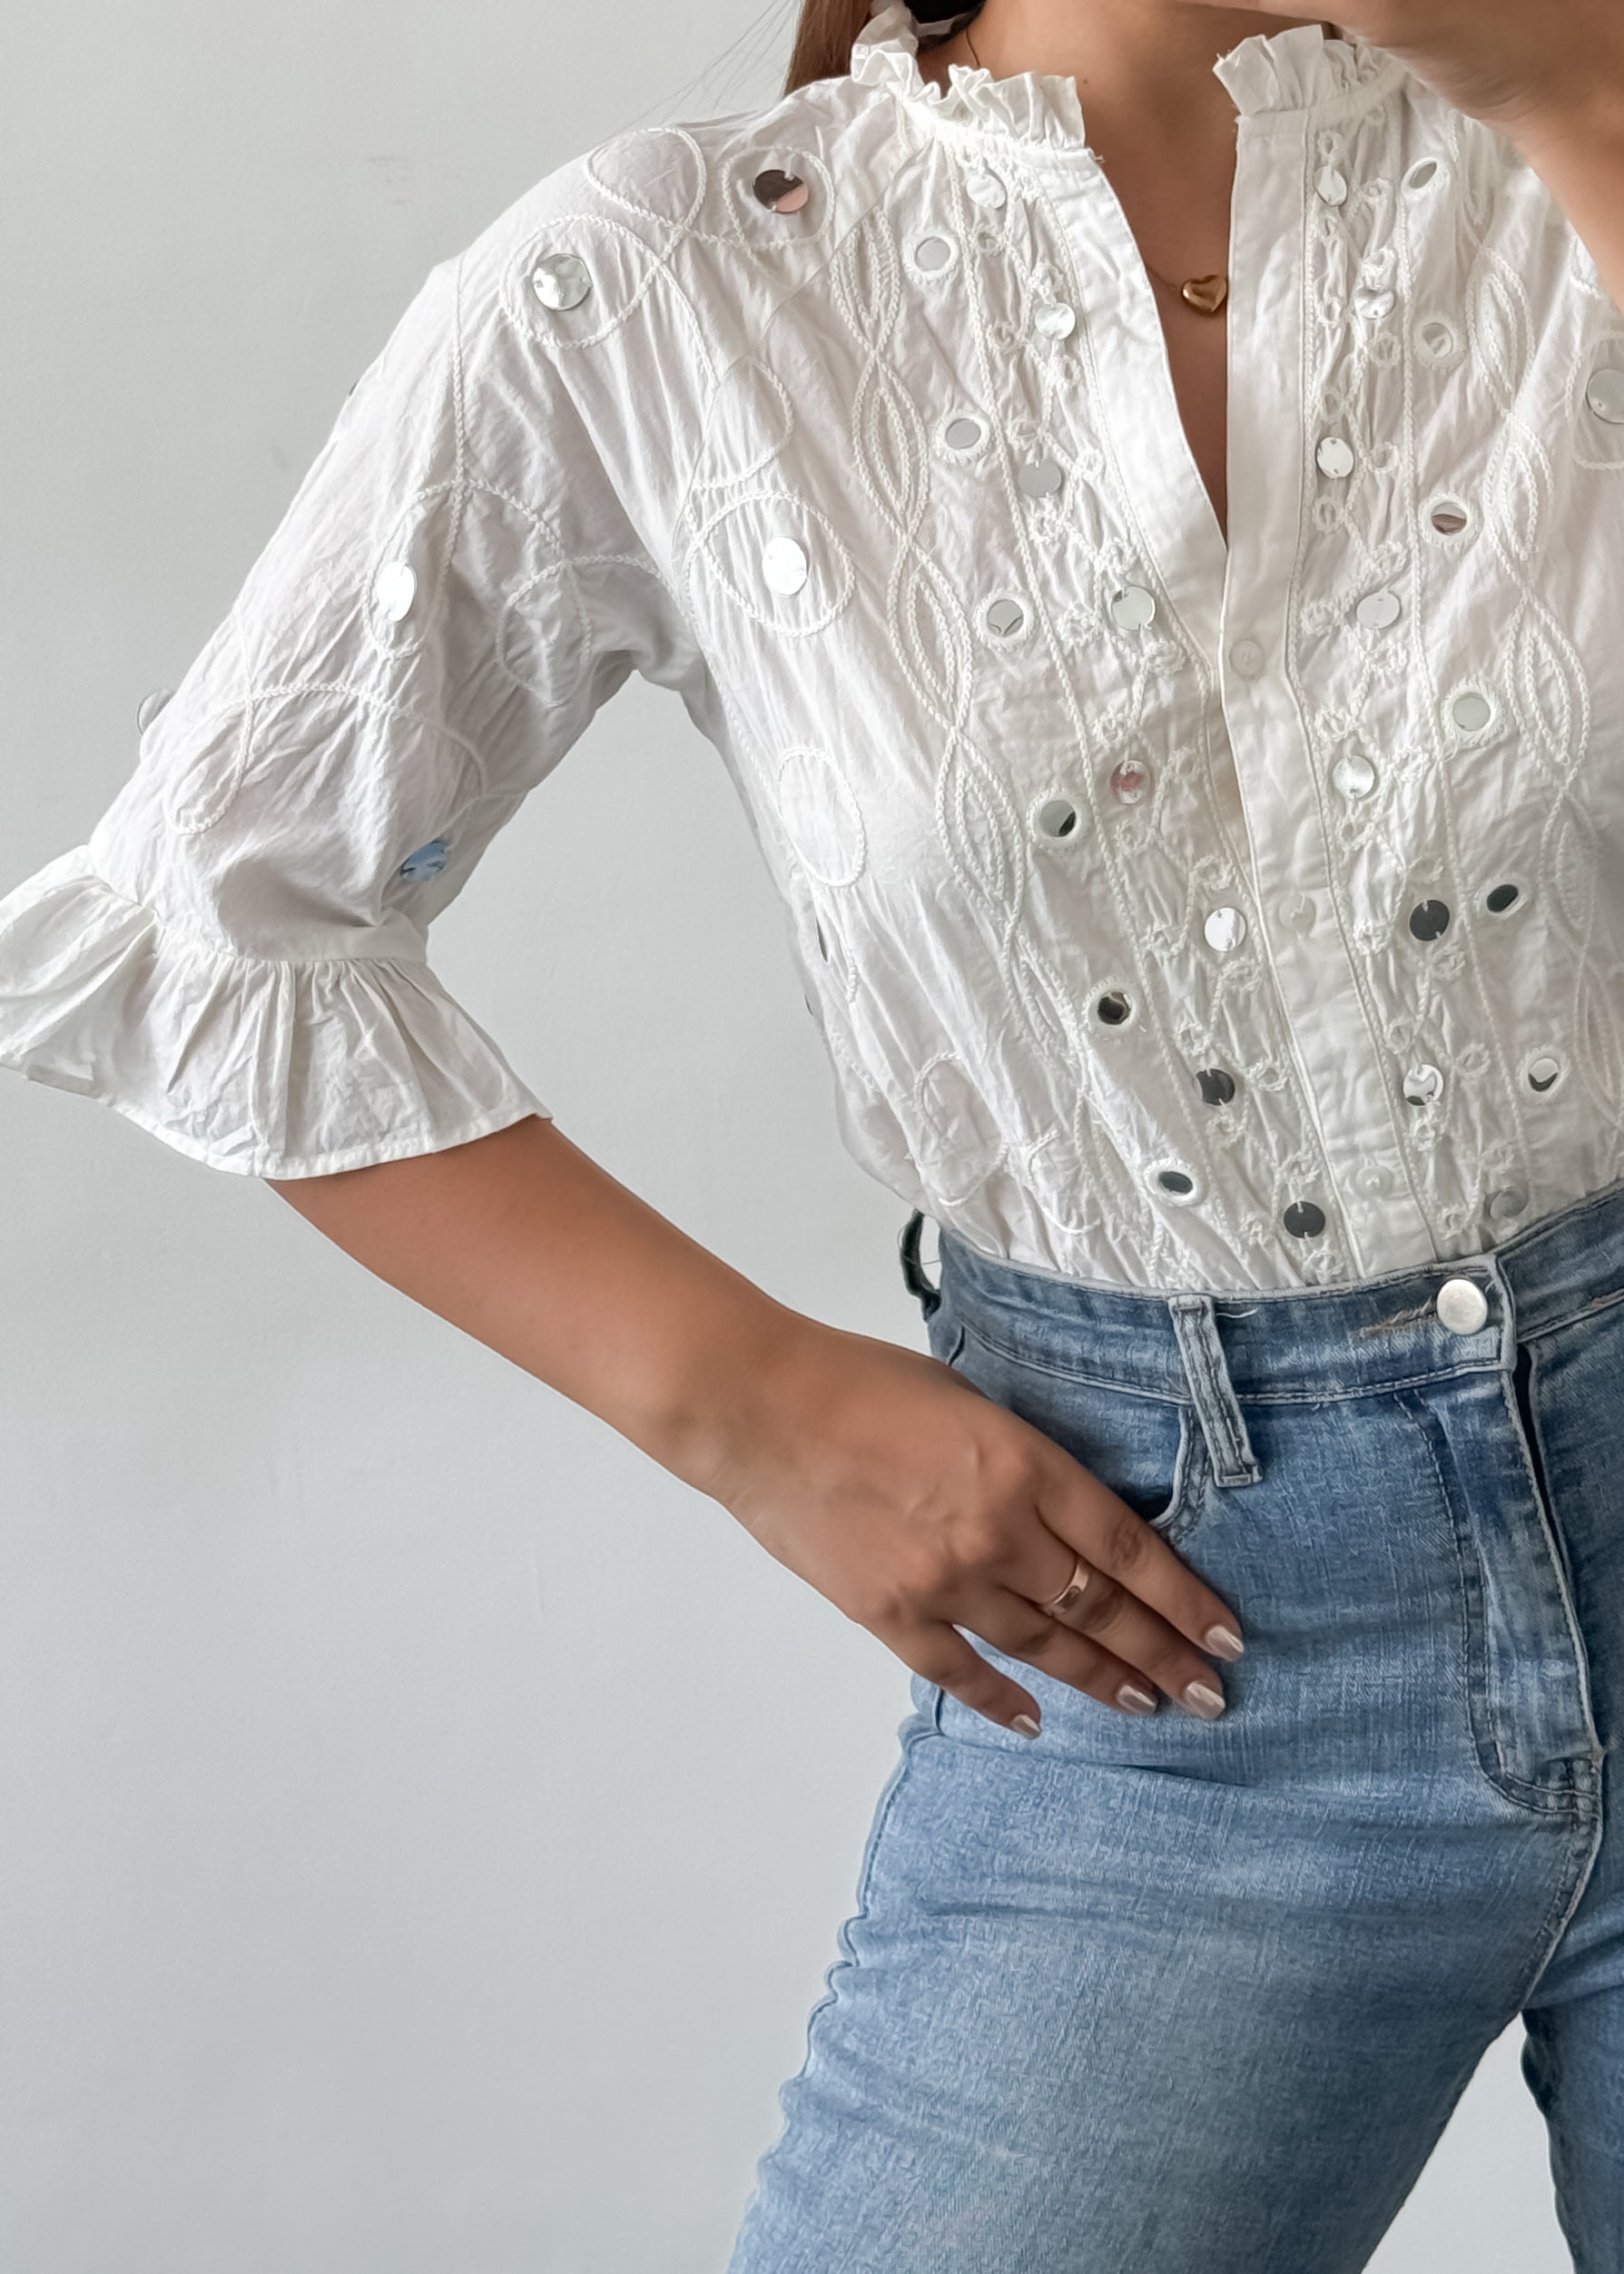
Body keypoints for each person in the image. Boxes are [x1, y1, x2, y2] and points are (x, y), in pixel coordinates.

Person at [2, 0, 1623, 2262]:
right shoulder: (679, 278)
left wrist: (1580, 99)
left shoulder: (1575, 145)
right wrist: (752, 1410)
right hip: (1178, 1622)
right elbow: (213, 928)